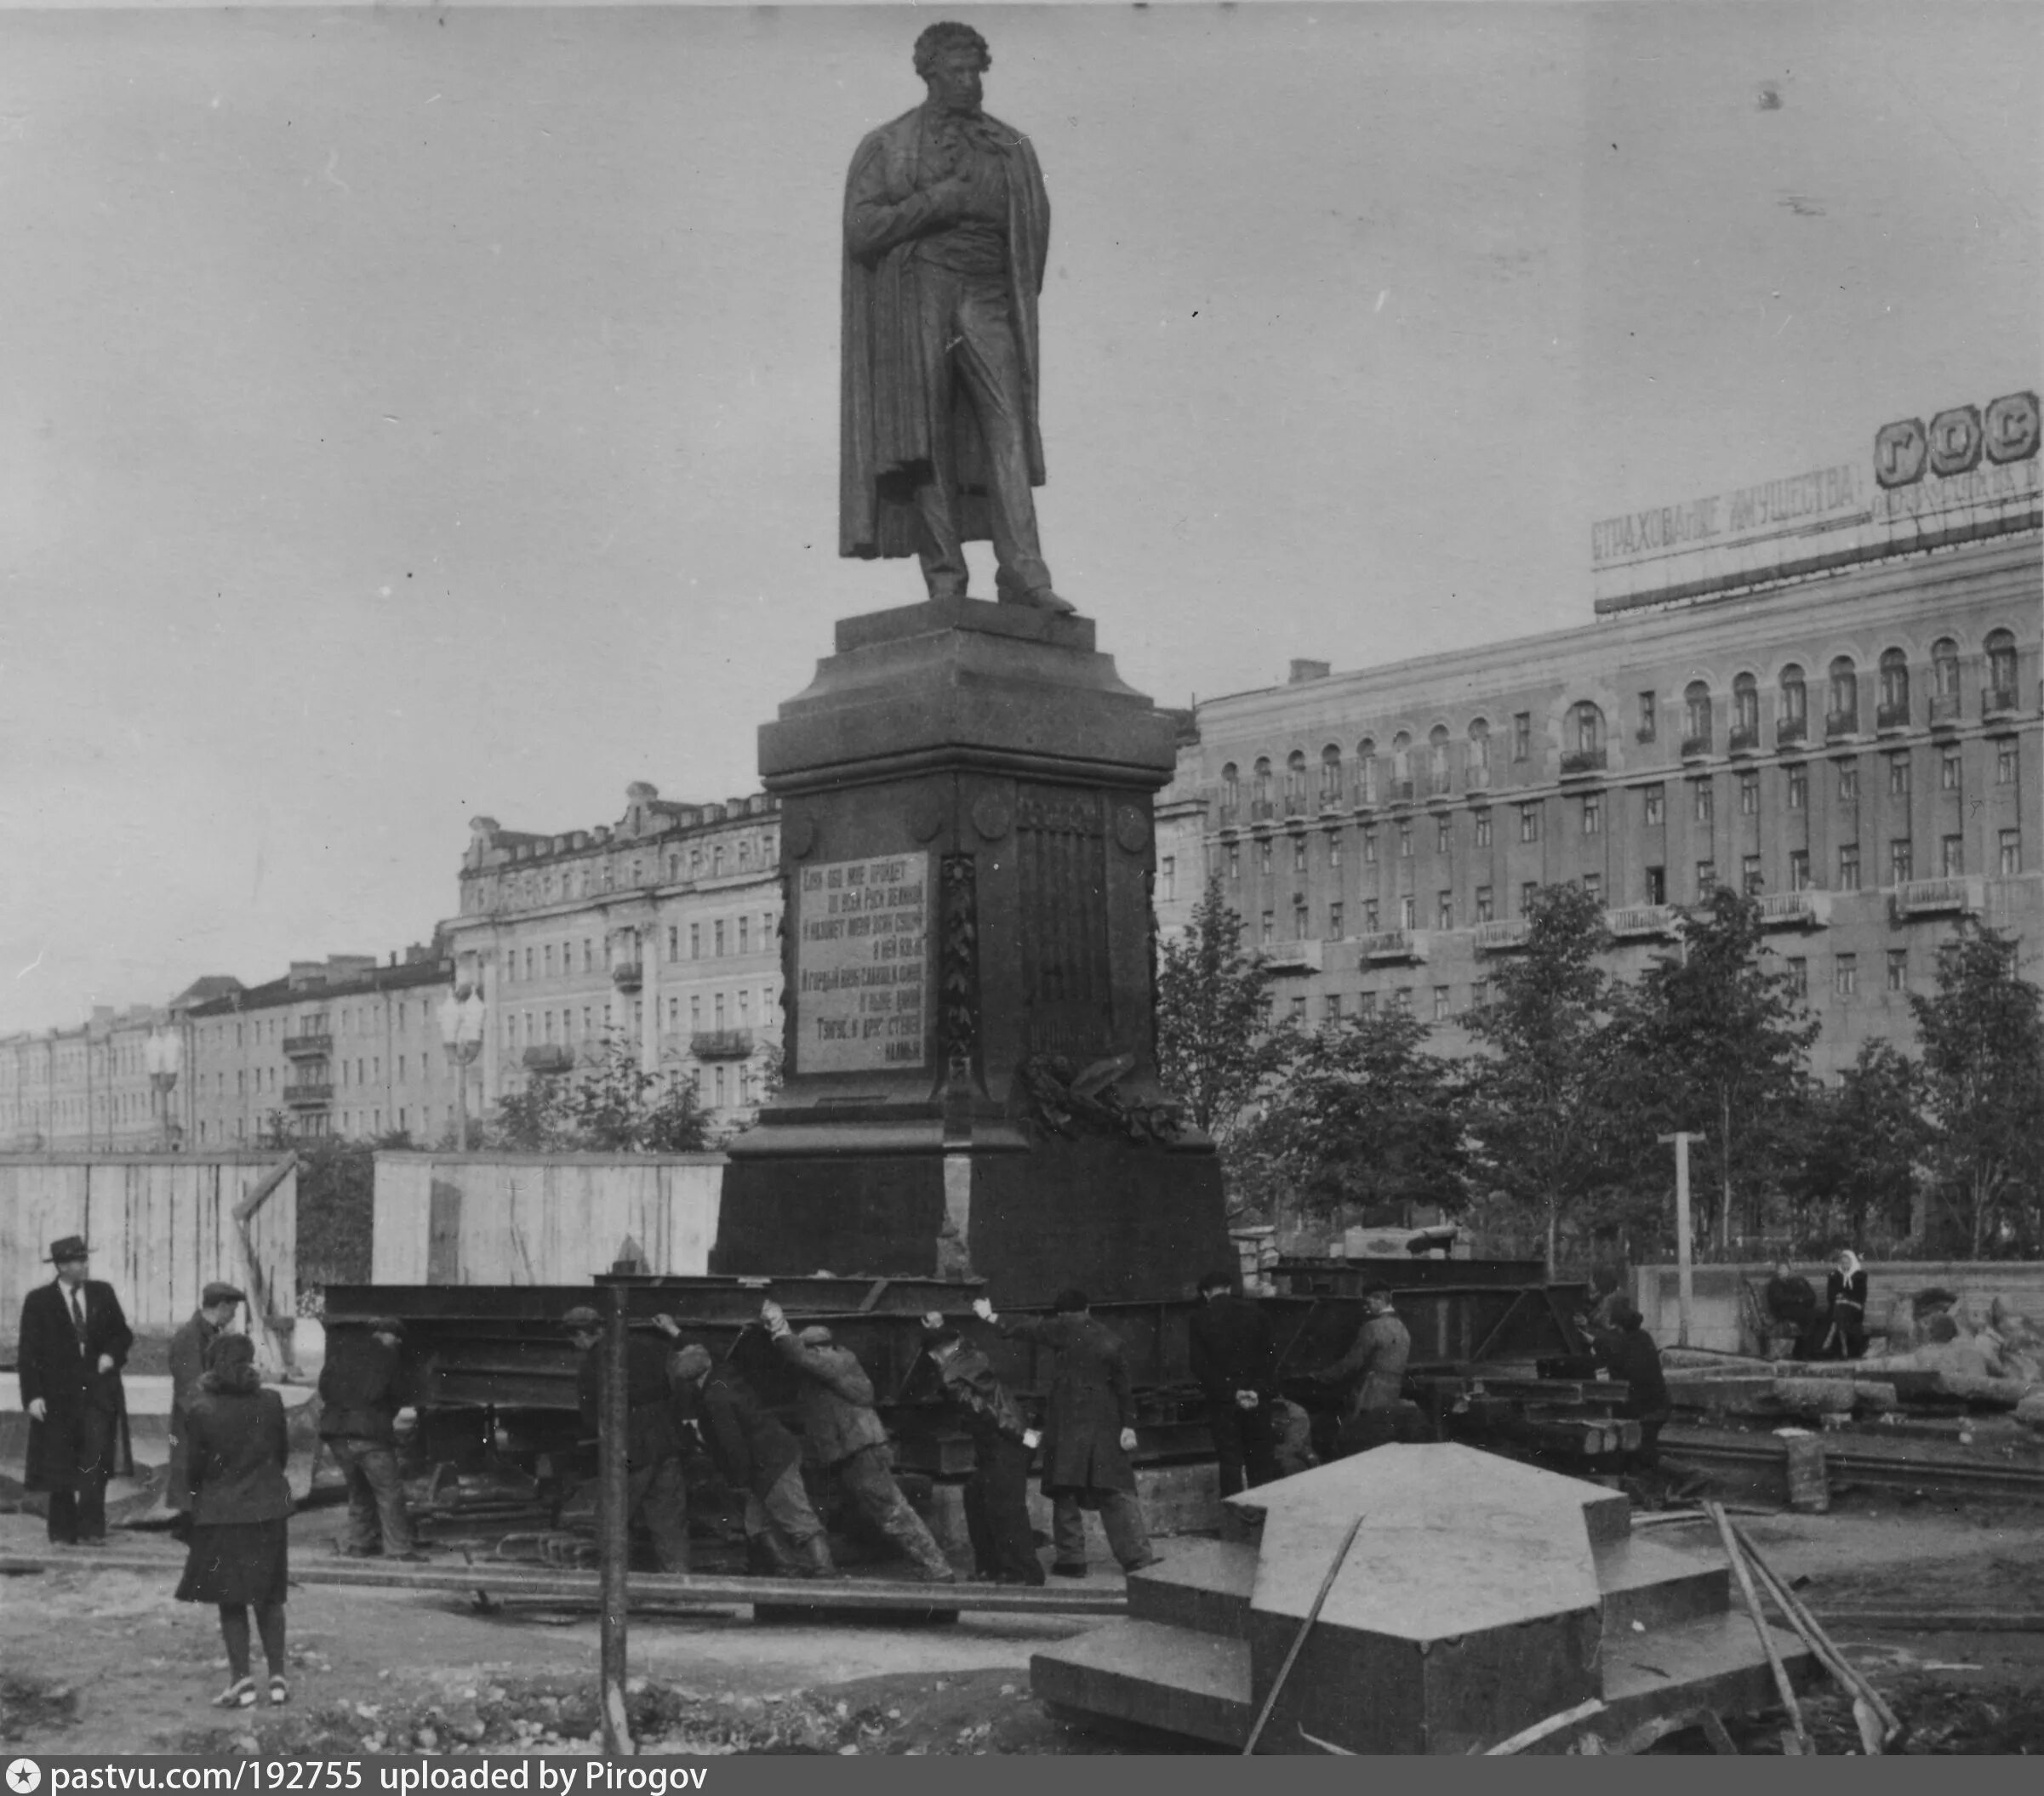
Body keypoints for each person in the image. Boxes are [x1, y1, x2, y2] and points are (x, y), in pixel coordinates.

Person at [841, 21, 1073, 615]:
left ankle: (1025, 572)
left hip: (987, 289)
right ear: (930, 74)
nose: (970, 82)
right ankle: (946, 576)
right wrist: (932, 205)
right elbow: (862, 229)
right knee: (928, 435)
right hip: (920, 287)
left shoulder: (1012, 146)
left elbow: (1034, 235)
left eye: (976, 71)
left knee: (1008, 426)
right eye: (956, 71)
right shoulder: (888, 144)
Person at [762, 1300, 955, 1582]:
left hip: (861, 1450)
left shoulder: (838, 1361)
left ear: (820, 1348)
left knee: (891, 1510)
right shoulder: (826, 1368)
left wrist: (779, 1327)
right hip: (848, 1452)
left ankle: (937, 1568)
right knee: (877, 1510)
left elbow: (804, 1359)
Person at [972, 1289, 1156, 1579]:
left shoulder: (1063, 1327)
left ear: (1061, 1313)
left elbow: (1029, 1327)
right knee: (1115, 1490)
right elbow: (1124, 1388)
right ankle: (1137, 1558)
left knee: (1065, 1488)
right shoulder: (1111, 1338)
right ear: (1089, 1308)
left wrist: (990, 1315)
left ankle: (1072, 1559)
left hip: (1067, 1422)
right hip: (1106, 1423)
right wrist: (1128, 1425)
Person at [177, 1332, 293, 1709]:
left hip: (221, 1512)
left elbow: (193, 1469)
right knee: (269, 1596)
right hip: (268, 1510)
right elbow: (283, 1454)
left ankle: (241, 1682)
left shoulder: (201, 1408)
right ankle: (277, 1678)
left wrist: (204, 1498)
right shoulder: (272, 1402)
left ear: (211, 1364)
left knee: (231, 1599)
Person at [671, 1343, 837, 1578]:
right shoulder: (721, 1378)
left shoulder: (714, 1397)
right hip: (771, 1456)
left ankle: (824, 1571)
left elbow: (732, 1443)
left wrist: (738, 1479)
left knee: (797, 1516)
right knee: (757, 1524)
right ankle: (788, 1569)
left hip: (770, 1462)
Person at [16, 1235, 134, 1547]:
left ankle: (92, 1529)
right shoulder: (39, 1301)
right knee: (61, 1464)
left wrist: (111, 1354)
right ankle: (62, 1532)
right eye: (78, 1260)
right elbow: (28, 1354)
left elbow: (122, 1334)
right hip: (58, 1397)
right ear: (62, 1266)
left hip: (98, 1392)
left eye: (85, 1259)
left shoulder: (102, 1293)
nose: (85, 1265)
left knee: (95, 1460)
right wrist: (33, 1396)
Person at [562, 1305, 692, 1573]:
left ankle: (613, 1589)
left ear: (582, 1335)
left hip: (630, 1449)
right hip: (666, 1441)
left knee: (612, 1519)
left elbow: (591, 1418)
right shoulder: (649, 1345)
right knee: (669, 1521)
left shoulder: (592, 1365)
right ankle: (680, 1587)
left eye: (574, 1339)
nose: (576, 1346)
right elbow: (680, 1379)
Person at [919, 1313, 1043, 1584]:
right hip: (1004, 1442)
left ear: (935, 1355)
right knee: (977, 1495)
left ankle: (1022, 1572)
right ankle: (994, 1567)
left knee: (1005, 1507)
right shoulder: (970, 1356)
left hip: (1007, 1441)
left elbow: (985, 1412)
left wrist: (1021, 1435)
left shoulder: (953, 1375)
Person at [317, 1314, 423, 1560]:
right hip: (369, 1436)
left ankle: (359, 1544)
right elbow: (398, 1395)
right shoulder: (389, 1356)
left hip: (336, 1435)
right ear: (392, 1338)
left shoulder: (341, 1352)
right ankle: (398, 1550)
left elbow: (324, 1387)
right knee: (389, 1492)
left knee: (358, 1489)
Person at [1187, 1270, 1281, 1497]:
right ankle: (1263, 1516)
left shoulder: (1199, 1318)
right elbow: (1270, 1358)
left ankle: (1234, 1521)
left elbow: (1200, 1366)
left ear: (1206, 1293)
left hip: (1224, 1402)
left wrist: (1232, 1393)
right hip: (1257, 1399)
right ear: (1229, 1288)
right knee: (1260, 1459)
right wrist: (1257, 1391)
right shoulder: (1257, 1313)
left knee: (1230, 1461)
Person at [168, 1282, 245, 1537]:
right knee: (190, 1471)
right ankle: (188, 1528)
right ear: (221, 1306)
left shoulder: (211, 1333)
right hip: (194, 1421)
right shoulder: (190, 1336)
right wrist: (212, 1417)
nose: (234, 1314)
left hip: (204, 1418)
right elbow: (190, 1386)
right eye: (232, 1308)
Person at [1314, 1284, 1412, 1457]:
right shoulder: (1402, 1327)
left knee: (1356, 1436)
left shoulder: (1373, 1327)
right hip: (1393, 1389)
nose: (1367, 1307)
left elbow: (1353, 1361)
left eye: (1371, 1302)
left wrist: (1322, 1377)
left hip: (1371, 1390)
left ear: (1381, 1300)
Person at [1578, 1301, 1672, 1469]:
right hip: (1659, 1406)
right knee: (1642, 1450)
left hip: (1642, 1411)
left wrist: (1589, 1340)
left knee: (1642, 1454)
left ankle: (1681, 1473)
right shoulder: (1644, 1337)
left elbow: (1606, 1350)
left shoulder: (1622, 1344)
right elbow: (1612, 1345)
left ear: (1619, 1327)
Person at [1762, 1262, 1821, 1361]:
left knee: (1820, 1317)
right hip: (1783, 1312)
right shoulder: (1775, 1284)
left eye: (1785, 1269)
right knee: (1810, 1318)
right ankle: (1804, 1351)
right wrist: (1798, 1300)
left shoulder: (1797, 1282)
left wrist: (1800, 1300)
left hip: (1798, 1310)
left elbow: (1811, 1297)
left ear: (1789, 1271)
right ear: (1777, 1271)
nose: (1782, 1271)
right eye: (1780, 1269)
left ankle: (1808, 1350)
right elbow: (1779, 1300)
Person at [1820, 1251, 1870, 1360]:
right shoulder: (1835, 1276)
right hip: (1838, 1310)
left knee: (1839, 1309)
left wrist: (1845, 1297)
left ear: (1852, 1262)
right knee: (1839, 1308)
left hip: (1855, 1309)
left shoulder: (1860, 1276)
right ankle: (1844, 1347)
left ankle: (1832, 1334)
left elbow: (1860, 1297)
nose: (1844, 1265)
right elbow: (1831, 1296)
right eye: (1842, 1263)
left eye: (1847, 1263)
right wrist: (1843, 1296)